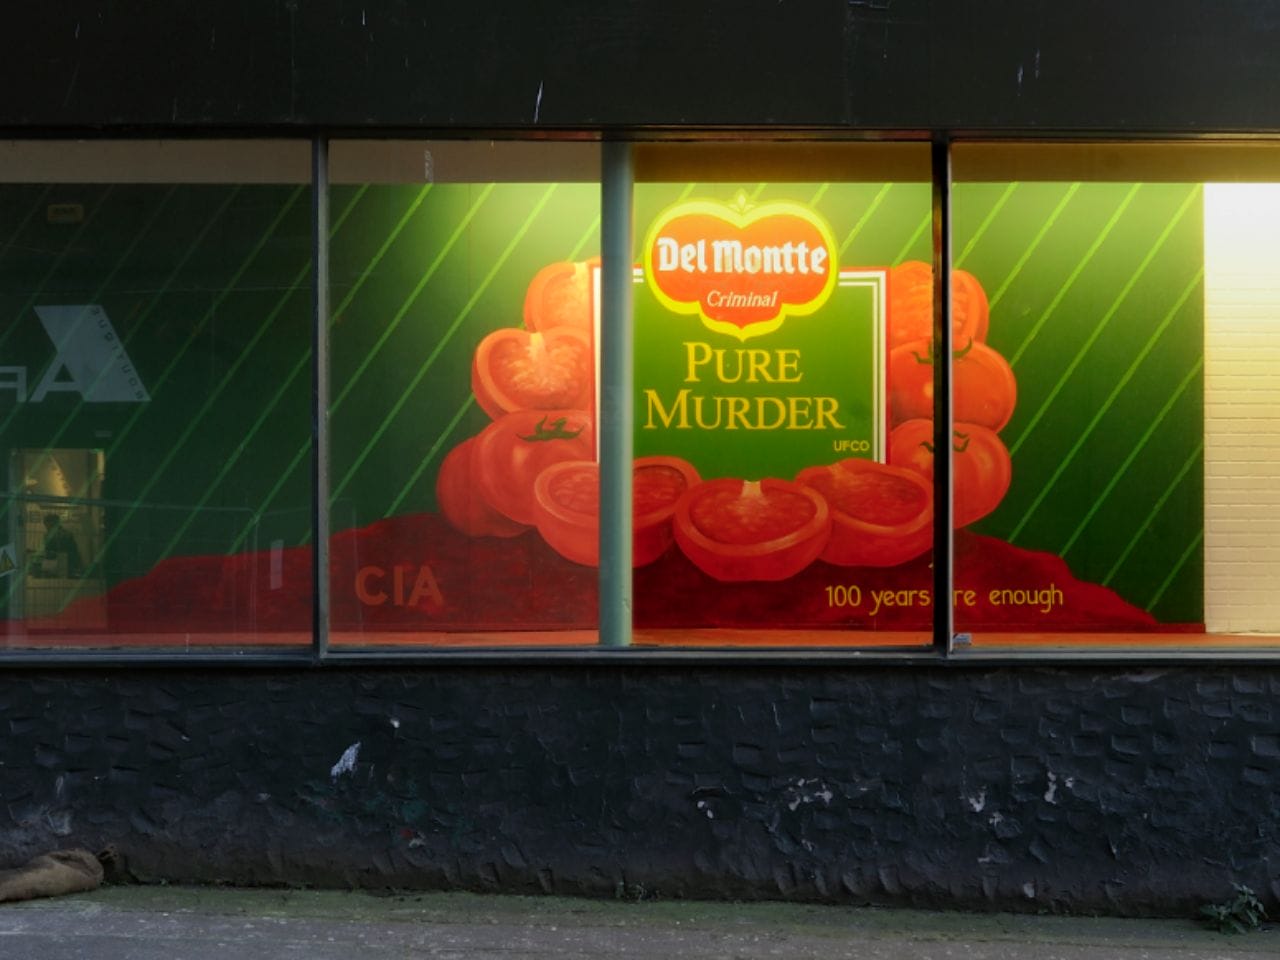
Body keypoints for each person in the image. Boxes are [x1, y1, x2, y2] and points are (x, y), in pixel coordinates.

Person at [40, 513, 82, 578]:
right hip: (65, 565)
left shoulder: (62, 535)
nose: (46, 527)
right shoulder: (66, 534)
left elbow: (51, 551)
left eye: (47, 525)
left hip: (63, 565)